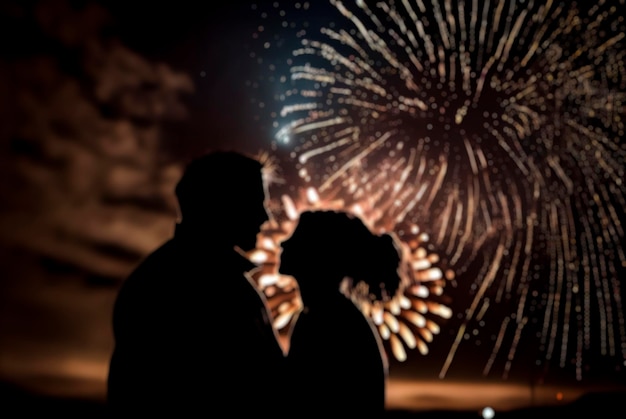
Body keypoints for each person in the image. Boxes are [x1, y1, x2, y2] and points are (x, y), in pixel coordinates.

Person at [107, 150, 286, 416]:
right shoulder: (196, 286)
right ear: (223, 204)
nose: (265, 218)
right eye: (255, 202)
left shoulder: (162, 277)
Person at [279, 210, 402, 415]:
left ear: (318, 255)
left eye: (298, 237)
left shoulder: (326, 324)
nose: (284, 243)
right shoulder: (329, 316)